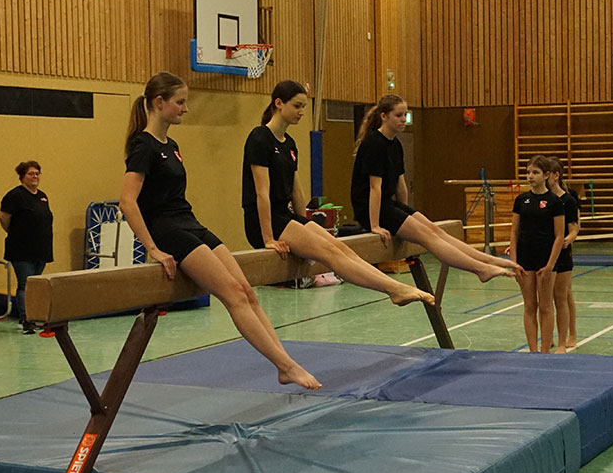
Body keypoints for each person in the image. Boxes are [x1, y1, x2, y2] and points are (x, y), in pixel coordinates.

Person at [121, 72, 321, 389]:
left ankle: (285, 363)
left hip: (189, 222)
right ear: (159, 103)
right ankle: (285, 365)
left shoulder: (171, 145)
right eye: (180, 102)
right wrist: (152, 248)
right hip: (167, 231)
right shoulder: (143, 146)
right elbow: (128, 202)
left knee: (247, 291)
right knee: (233, 295)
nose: (186, 108)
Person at [243, 80, 435, 308]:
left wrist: (305, 223)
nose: (302, 112)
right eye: (297, 106)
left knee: (339, 247)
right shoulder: (259, 138)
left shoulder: (290, 143)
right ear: (278, 103)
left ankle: (393, 287)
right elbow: (261, 193)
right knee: (329, 253)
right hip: (263, 221)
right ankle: (393, 289)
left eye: (303, 106)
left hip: (286, 217)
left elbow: (296, 190)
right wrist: (268, 238)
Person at [351, 94, 517, 282]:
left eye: (405, 115)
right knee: (428, 237)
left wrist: (404, 216)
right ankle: (480, 269)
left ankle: (488, 259)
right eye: (398, 115)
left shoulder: (395, 144)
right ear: (384, 116)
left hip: (387, 205)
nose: (404, 120)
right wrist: (375, 226)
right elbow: (374, 188)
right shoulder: (373, 143)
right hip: (369, 208)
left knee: (434, 230)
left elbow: (401, 186)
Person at [510, 155, 566, 352]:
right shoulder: (521, 200)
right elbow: (514, 232)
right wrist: (514, 263)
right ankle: (532, 351)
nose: (530, 176)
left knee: (545, 306)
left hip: (545, 258)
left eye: (535, 172)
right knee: (529, 305)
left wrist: (550, 265)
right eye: (528, 172)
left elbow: (559, 236)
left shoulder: (555, 202)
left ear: (546, 175)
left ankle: (544, 351)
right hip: (525, 258)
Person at [0, 160, 54, 334]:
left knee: (36, 284)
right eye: (31, 173)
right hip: (21, 249)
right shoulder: (14, 196)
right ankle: (26, 319)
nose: (35, 176)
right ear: (22, 176)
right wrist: (16, 233)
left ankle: (35, 316)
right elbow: (4, 218)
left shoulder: (42, 196)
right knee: (25, 283)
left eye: (37, 173)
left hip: (41, 248)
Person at [548, 157, 580, 351]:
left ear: (555, 175)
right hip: (546, 249)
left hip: (562, 249)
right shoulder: (543, 198)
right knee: (547, 296)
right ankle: (549, 334)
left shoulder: (569, 198)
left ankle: (572, 332)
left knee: (565, 294)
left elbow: (575, 226)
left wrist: (569, 238)